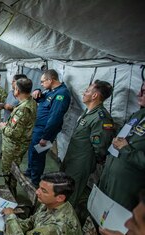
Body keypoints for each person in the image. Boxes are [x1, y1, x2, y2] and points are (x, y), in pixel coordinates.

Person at [1, 172, 83, 235]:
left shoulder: (54, 227)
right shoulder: (53, 204)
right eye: (39, 187)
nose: (37, 192)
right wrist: (14, 222)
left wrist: (10, 218)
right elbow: (32, 221)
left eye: (44, 191)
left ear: (60, 198)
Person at [61, 80, 115, 210]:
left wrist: (90, 161)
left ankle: (65, 223)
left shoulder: (101, 118)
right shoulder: (89, 112)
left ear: (95, 95)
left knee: (71, 195)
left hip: (81, 163)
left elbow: (101, 147)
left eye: (87, 91)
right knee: (63, 190)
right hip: (73, 158)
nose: (84, 93)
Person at [98, 82, 145, 211]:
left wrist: (127, 150)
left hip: (126, 187)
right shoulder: (138, 115)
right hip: (109, 176)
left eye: (144, 91)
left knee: (113, 222)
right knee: (98, 212)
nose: (138, 94)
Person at [25, 69, 71, 187]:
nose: (41, 83)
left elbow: (55, 118)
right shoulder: (51, 91)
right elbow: (42, 98)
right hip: (38, 129)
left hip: (44, 131)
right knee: (32, 152)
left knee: (38, 156)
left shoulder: (61, 94)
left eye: (42, 81)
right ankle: (30, 172)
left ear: (51, 80)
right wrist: (37, 91)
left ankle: (35, 182)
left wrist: (46, 137)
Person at [0, 78, 37, 194]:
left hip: (14, 147)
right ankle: (10, 190)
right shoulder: (31, 102)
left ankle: (10, 193)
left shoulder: (23, 109)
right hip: (17, 145)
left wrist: (3, 126)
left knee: (8, 171)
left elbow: (15, 134)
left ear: (18, 90)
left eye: (14, 87)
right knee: (12, 170)